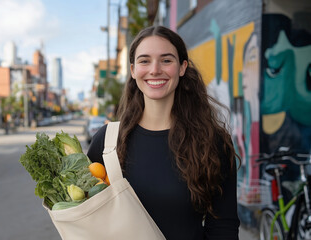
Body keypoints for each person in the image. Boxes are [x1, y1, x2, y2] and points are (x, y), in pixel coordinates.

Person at [87, 25, 240, 239]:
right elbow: (84, 216)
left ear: (182, 67)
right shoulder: (107, 141)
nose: (155, 69)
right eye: (144, 60)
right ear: (133, 70)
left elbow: (224, 227)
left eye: (166, 60)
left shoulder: (212, 142)